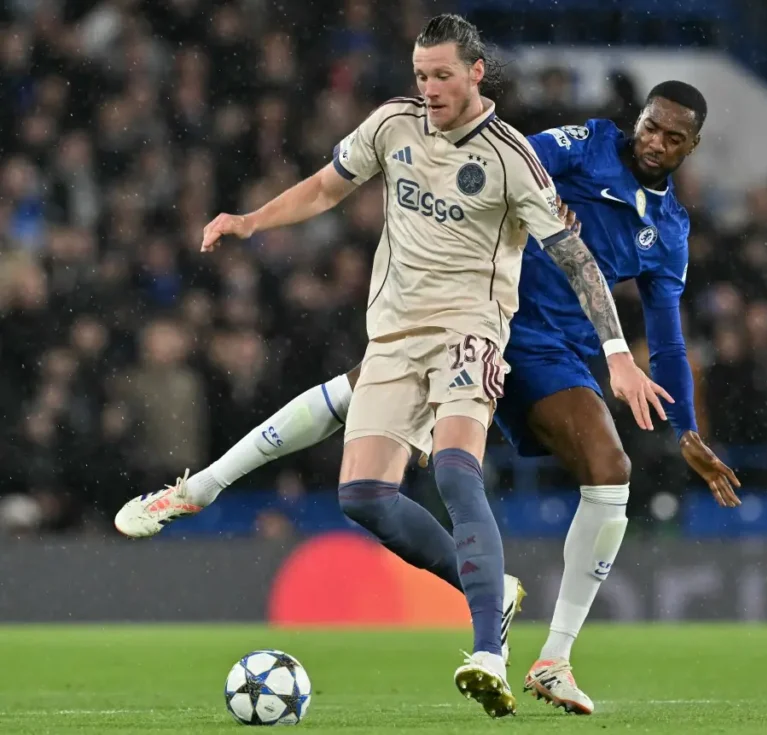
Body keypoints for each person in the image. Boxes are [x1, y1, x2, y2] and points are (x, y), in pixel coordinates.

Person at [114, 14, 666, 719]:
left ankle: (488, 653)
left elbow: (577, 260)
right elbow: (325, 187)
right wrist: (250, 221)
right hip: (394, 337)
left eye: (442, 75)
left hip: (470, 332)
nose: (429, 88)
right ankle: (491, 589)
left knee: (455, 470)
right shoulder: (392, 125)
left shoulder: (510, 159)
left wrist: (617, 353)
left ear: (476, 73)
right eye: (420, 75)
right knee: (364, 497)